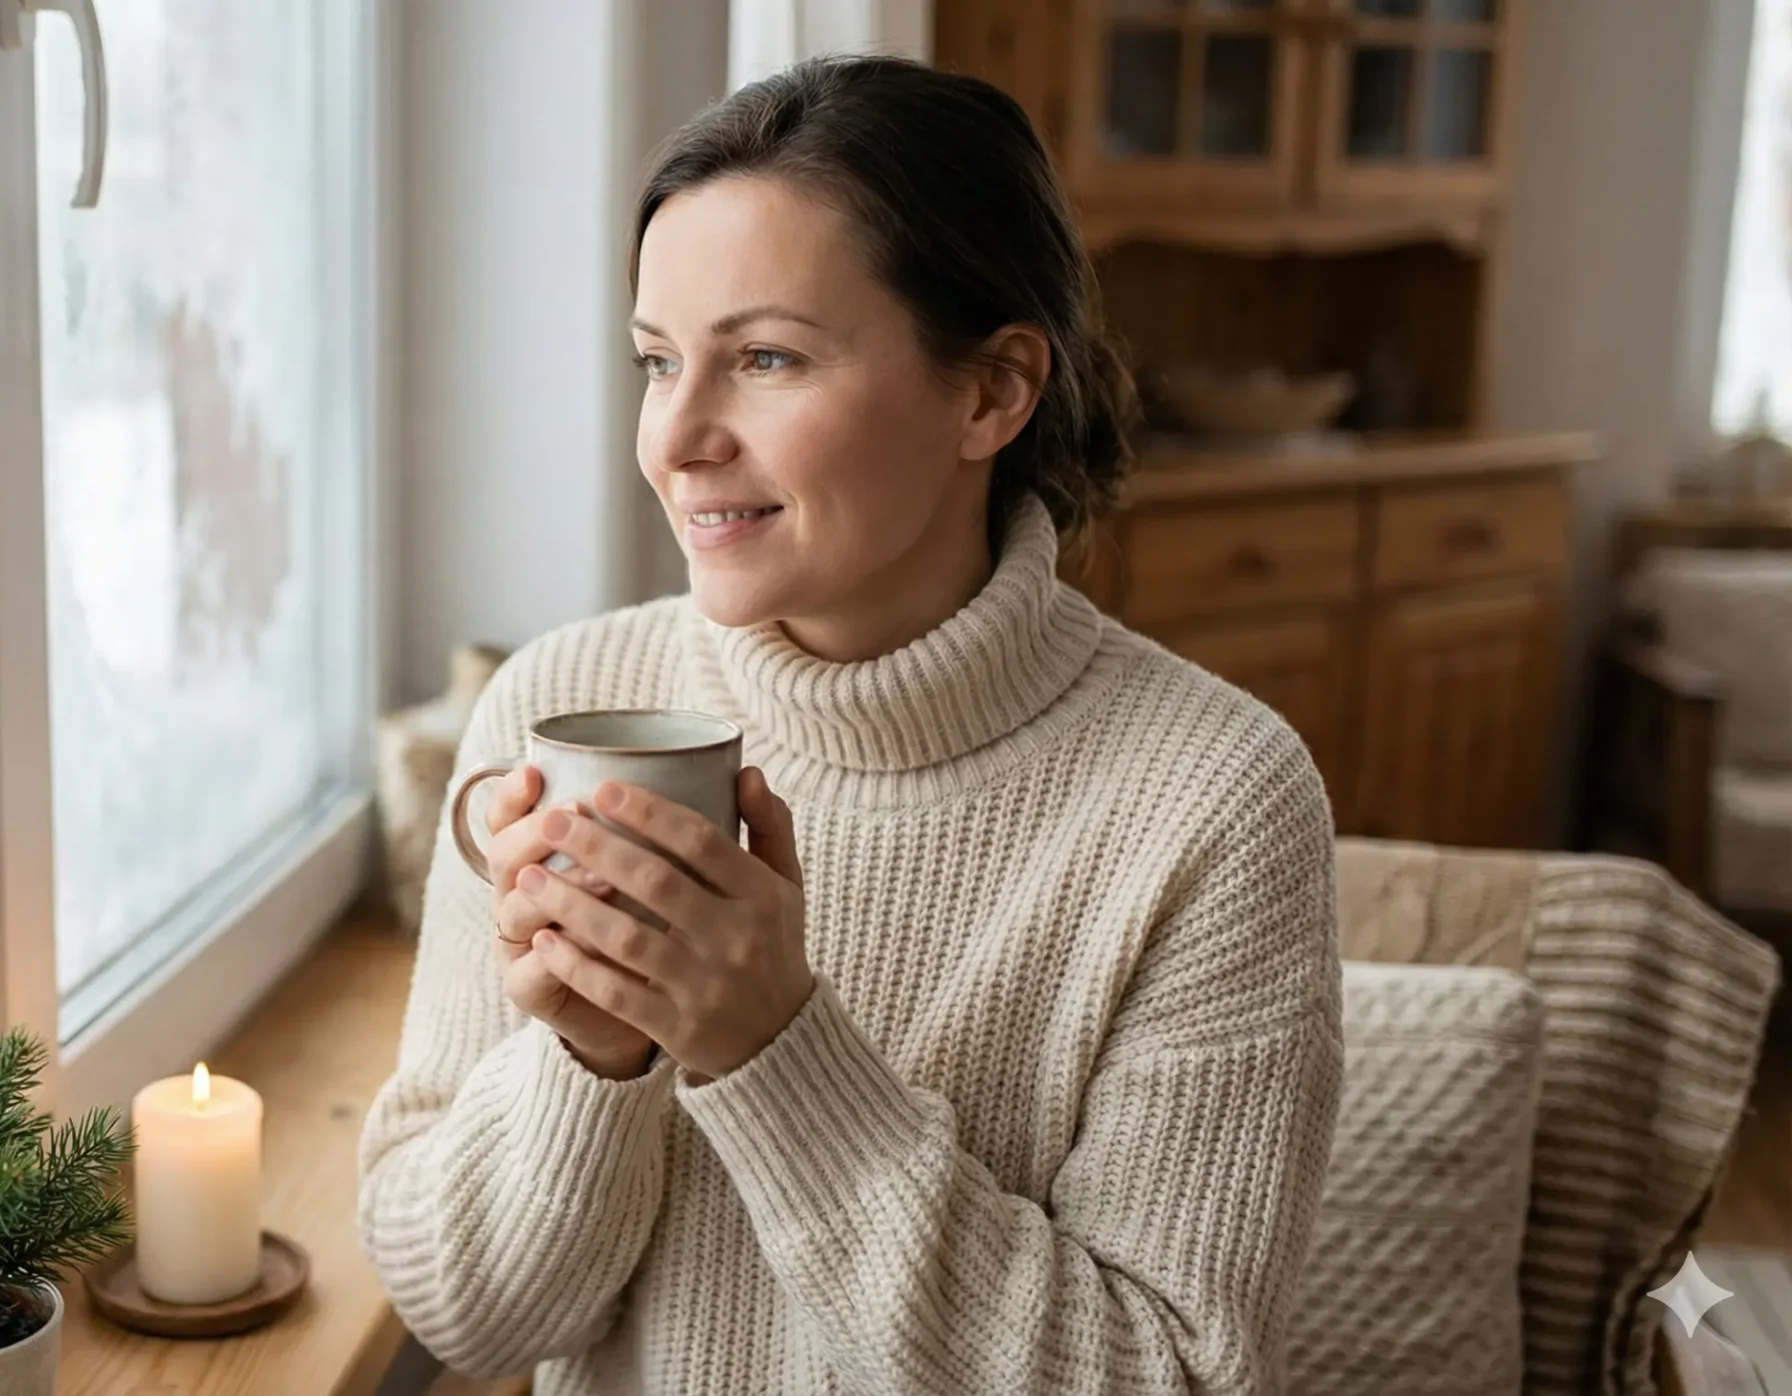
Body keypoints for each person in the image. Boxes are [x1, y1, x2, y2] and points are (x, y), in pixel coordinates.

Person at [358, 55, 1340, 1395]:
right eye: (659, 363)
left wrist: (772, 1050)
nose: (679, 440)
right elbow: (465, 1319)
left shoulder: (1214, 799)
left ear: (992, 392)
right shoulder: (549, 709)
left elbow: (1165, 1375)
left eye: (765, 358)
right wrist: (594, 1058)